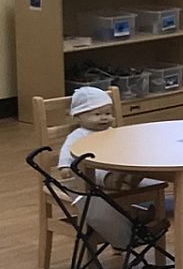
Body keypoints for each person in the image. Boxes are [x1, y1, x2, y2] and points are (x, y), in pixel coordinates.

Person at [58, 85, 156, 248]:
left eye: (108, 114)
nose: (104, 118)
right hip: (89, 174)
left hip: (115, 166)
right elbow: (67, 152)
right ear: (79, 116)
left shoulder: (112, 131)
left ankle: (130, 179)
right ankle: (117, 183)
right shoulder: (78, 135)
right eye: (97, 114)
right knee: (97, 172)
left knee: (127, 164)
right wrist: (64, 167)